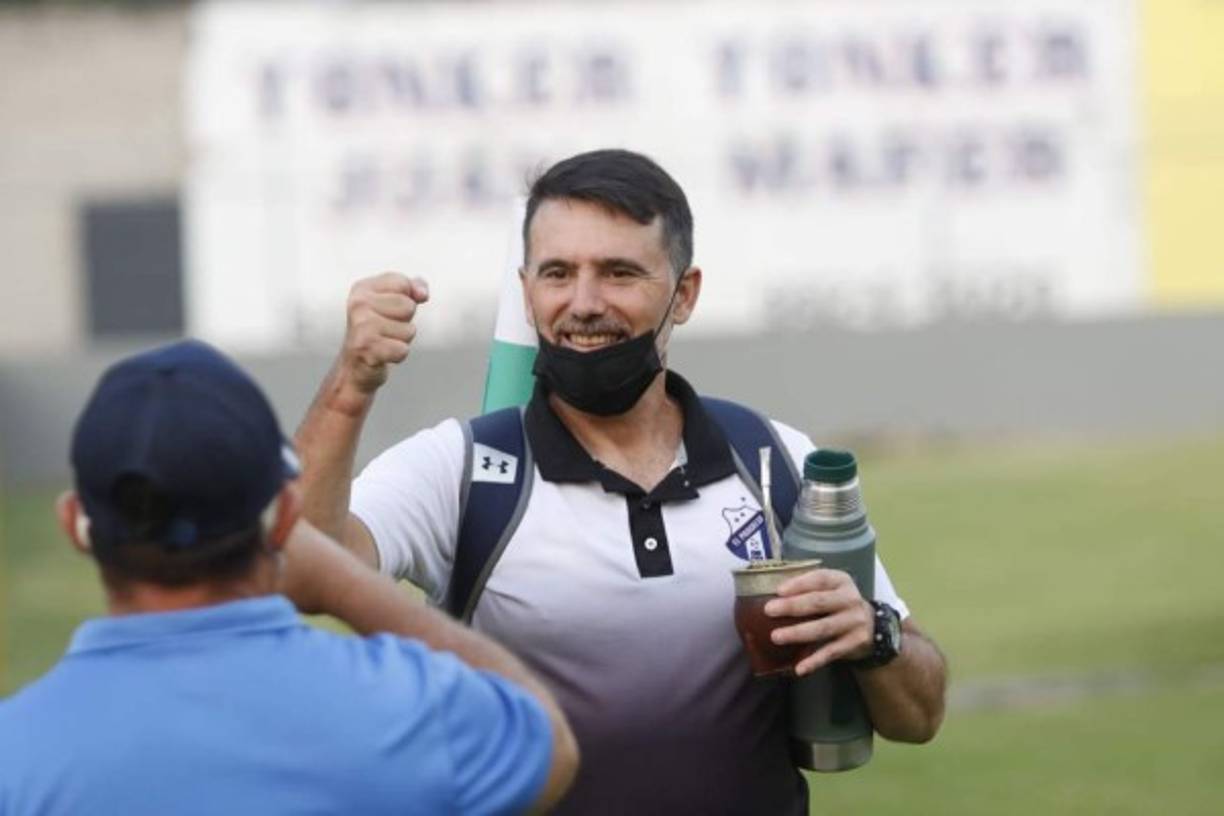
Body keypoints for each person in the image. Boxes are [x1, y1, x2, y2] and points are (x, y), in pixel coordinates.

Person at [295, 148, 947, 814]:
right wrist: (350, 387)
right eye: (557, 273)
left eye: (618, 273)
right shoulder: (460, 470)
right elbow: (304, 566)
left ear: (684, 294)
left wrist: (873, 636)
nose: (583, 303)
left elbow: (918, 716)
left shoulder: (773, 459)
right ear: (526, 292)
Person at [0, 340, 578, 816]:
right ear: (282, 516)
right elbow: (547, 740)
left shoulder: (16, 755)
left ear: (76, 524)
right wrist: (342, 583)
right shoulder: (407, 710)